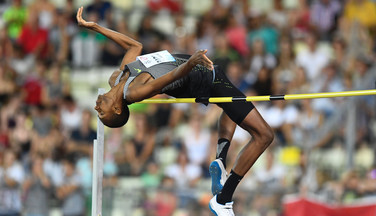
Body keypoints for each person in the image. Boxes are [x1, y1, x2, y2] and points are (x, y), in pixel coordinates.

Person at [77, 6, 274, 215]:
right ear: (117, 109)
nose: (97, 107)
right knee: (264, 135)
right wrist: (191, 62)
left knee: (232, 106)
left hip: (204, 73)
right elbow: (170, 78)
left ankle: (220, 161)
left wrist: (95, 27)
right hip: (206, 79)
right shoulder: (133, 93)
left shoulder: (116, 77)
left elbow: (134, 46)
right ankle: (223, 200)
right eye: (102, 113)